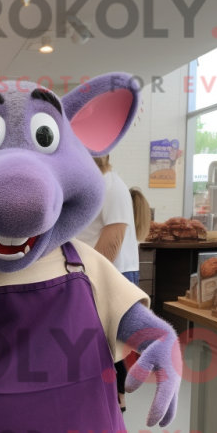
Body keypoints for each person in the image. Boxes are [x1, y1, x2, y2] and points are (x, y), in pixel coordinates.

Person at [76, 156, 141, 411]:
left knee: (109, 341)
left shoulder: (111, 186)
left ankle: (117, 397)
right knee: (98, 340)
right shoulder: (93, 185)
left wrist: (88, 277)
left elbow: (113, 240)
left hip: (111, 273)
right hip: (98, 272)